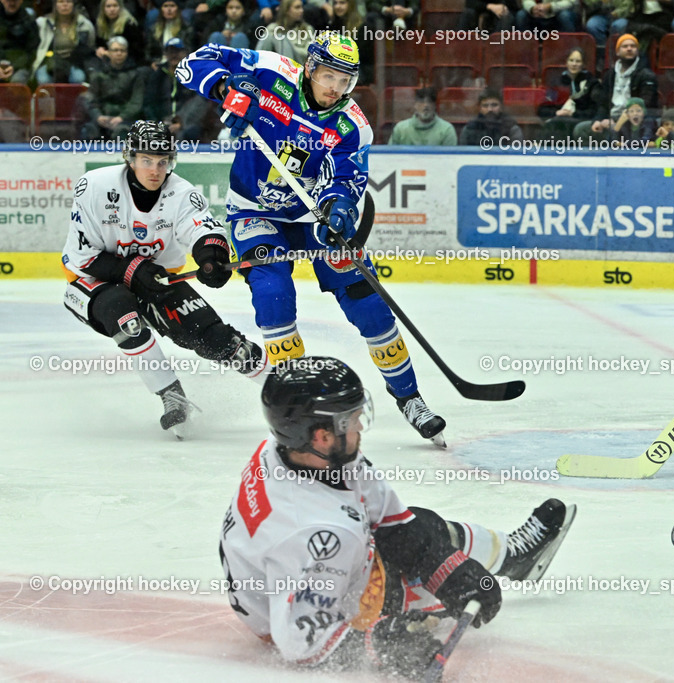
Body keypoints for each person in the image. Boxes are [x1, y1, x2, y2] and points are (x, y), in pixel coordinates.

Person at [219, 356, 576, 672]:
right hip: (321, 613)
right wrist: (382, 644)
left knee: (426, 526)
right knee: (425, 591)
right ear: (321, 436)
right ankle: (486, 569)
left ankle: (511, 557)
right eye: (350, 420)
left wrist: (453, 571)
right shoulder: (318, 533)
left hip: (289, 587)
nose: (359, 426)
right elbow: (303, 643)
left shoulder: (287, 450)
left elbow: (396, 525)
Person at [177, 34, 450, 445]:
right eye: (328, 76)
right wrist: (222, 88)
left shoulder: (351, 125)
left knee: (368, 302)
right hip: (255, 209)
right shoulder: (269, 70)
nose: (334, 89)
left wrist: (337, 209)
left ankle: (410, 398)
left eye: (345, 81)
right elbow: (193, 63)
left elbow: (347, 180)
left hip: (310, 215)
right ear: (309, 68)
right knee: (273, 295)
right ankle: (297, 399)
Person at [60, 121, 267, 436]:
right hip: (91, 282)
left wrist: (211, 255)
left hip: (158, 281)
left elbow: (202, 227)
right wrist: (133, 270)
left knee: (214, 337)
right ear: (130, 158)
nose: (155, 170)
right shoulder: (95, 187)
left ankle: (282, 388)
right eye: (146, 160)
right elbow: (82, 255)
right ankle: (173, 398)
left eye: (162, 162)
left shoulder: (181, 192)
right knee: (126, 315)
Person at [573, 34, 659, 142]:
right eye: (625, 46)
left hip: (634, 122)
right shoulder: (610, 75)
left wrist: (619, 123)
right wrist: (598, 120)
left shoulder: (646, 75)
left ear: (637, 51)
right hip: (611, 120)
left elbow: (645, 105)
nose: (629, 49)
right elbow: (603, 103)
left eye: (633, 46)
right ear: (617, 52)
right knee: (581, 130)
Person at [81, 36, 144, 140]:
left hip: (126, 119)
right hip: (102, 118)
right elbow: (91, 100)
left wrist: (121, 117)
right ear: (109, 53)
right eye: (115, 50)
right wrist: (98, 116)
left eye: (122, 50)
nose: (119, 53)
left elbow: (136, 102)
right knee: (89, 130)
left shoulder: (135, 74)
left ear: (126, 53)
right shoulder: (99, 74)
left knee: (122, 132)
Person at [538, 47, 601, 141]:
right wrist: (556, 112)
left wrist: (573, 113)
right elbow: (542, 109)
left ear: (583, 64)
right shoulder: (556, 83)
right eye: (571, 60)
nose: (574, 64)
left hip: (580, 121)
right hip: (558, 120)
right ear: (566, 62)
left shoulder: (592, 83)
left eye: (578, 61)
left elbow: (594, 111)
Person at [32, 0, 96, 84]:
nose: (65, 5)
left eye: (68, 2)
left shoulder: (84, 24)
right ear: (55, 5)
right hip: (48, 60)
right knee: (44, 80)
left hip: (74, 61)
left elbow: (90, 44)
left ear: (73, 5)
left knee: (78, 78)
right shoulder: (42, 23)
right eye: (61, 2)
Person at [389, 86, 457, 146]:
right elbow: (389, 155)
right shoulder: (400, 129)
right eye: (421, 101)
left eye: (430, 101)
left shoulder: (447, 130)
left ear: (435, 106)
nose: (426, 105)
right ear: (415, 105)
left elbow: (450, 159)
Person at [459, 89, 524, 146]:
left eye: (494, 105)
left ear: (501, 107)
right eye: (485, 105)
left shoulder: (512, 129)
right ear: (479, 108)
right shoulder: (469, 129)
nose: (490, 109)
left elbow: (514, 155)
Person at [0, 0, 40, 84]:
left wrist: (14, 66)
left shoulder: (29, 21)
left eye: (16, 0)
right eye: (8, 0)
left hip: (20, 65)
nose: (12, 3)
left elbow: (32, 52)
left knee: (17, 82)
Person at [93, 0, 144, 66]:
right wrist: (99, 49)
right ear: (103, 9)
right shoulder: (100, 23)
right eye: (108, 6)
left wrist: (111, 53)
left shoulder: (129, 24)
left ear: (120, 7)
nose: (112, 9)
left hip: (128, 60)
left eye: (115, 6)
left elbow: (137, 50)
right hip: (106, 59)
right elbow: (99, 43)